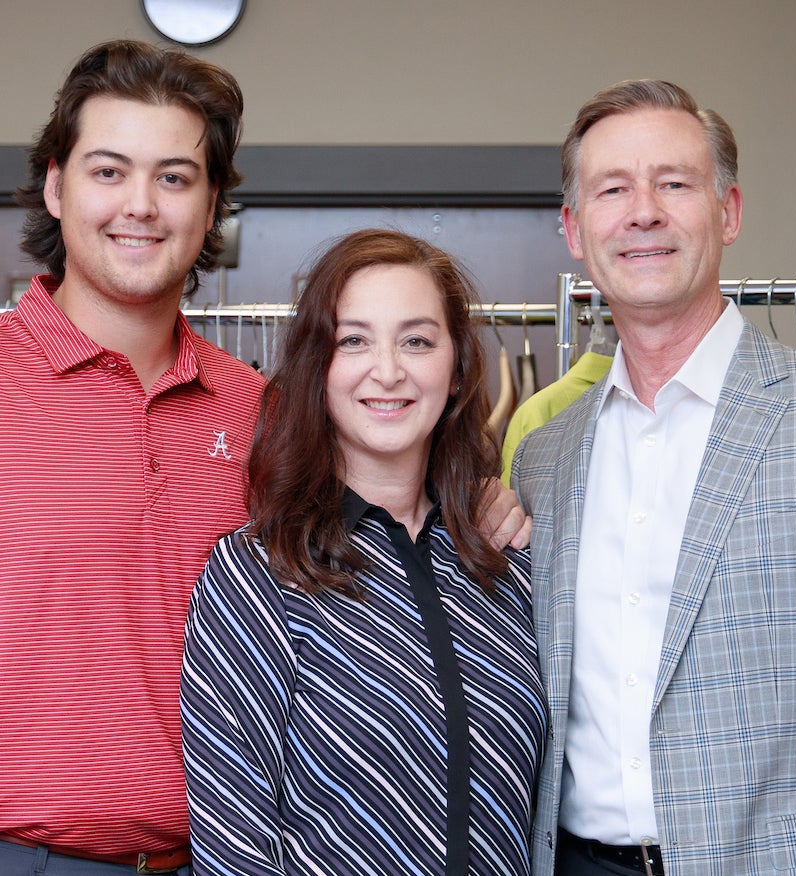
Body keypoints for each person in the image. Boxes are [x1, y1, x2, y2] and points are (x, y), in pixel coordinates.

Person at [0, 41, 527, 876]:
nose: (140, 205)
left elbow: (386, 544)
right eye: (109, 171)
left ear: (212, 204)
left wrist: (481, 509)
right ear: (54, 184)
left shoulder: (265, 415)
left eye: (175, 178)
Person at [510, 80, 796, 875]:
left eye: (675, 183)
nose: (643, 211)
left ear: (728, 213)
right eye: (611, 189)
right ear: (575, 229)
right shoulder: (544, 459)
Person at [182, 229, 546, 876]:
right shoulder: (257, 575)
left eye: (416, 340)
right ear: (317, 367)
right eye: (353, 340)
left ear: (456, 367)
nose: (388, 370)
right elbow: (232, 846)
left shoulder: (508, 561)